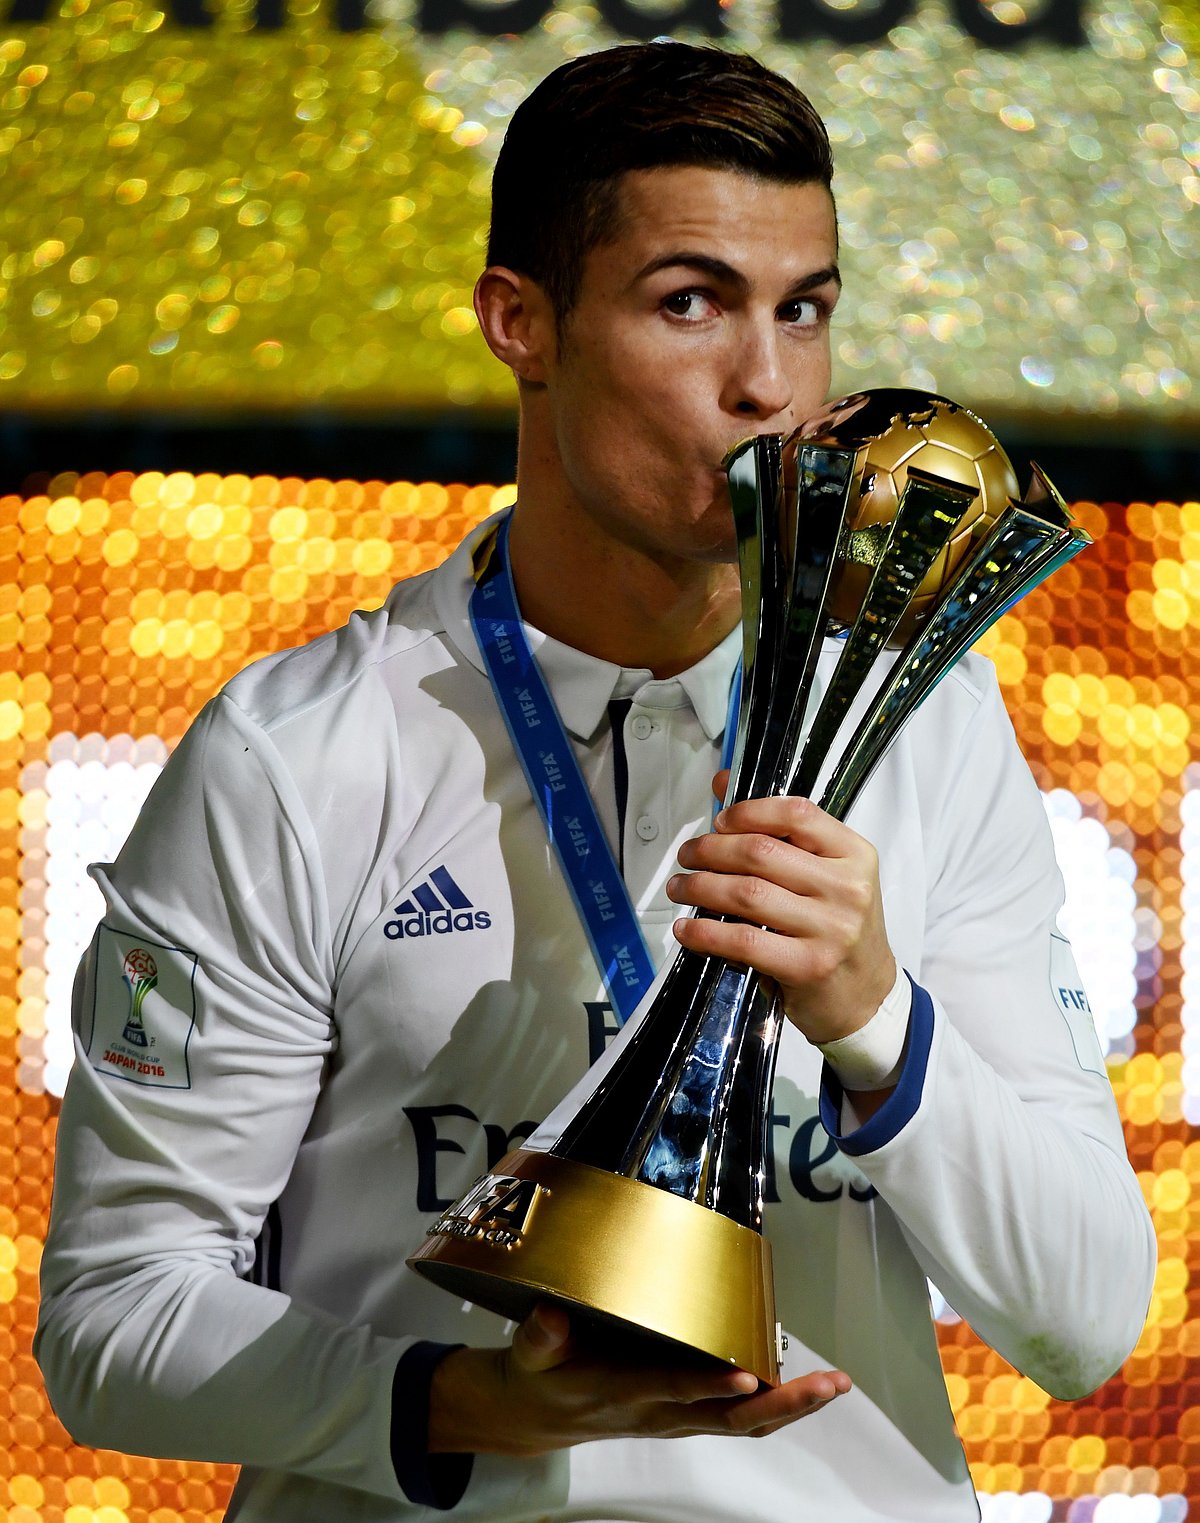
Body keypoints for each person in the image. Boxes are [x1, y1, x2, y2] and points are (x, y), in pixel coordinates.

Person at [37, 41, 1154, 1523]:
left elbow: (1084, 1323)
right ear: (523, 324)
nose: (767, 385)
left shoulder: (932, 727)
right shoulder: (302, 754)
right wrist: (453, 1400)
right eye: (690, 304)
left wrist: (877, 1017)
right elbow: (114, 1322)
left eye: (803, 311)